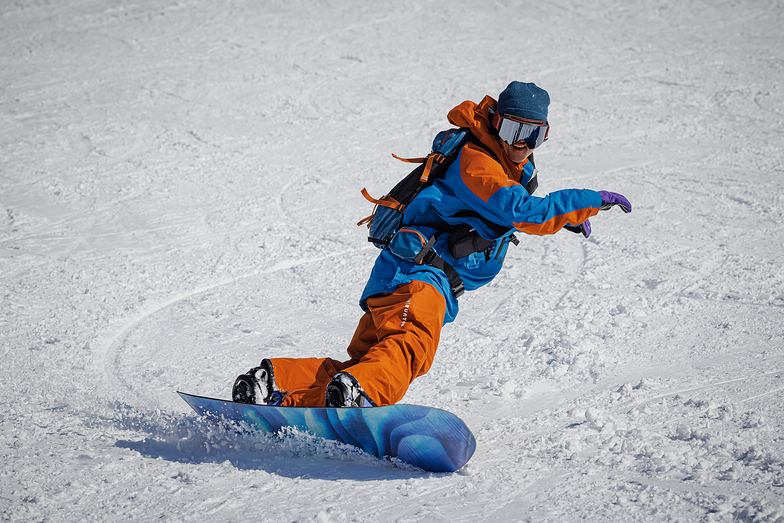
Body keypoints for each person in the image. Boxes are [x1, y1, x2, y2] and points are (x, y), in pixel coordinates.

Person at [232, 81, 632, 408]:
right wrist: (587, 202)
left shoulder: (496, 165)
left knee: (365, 364)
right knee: (410, 348)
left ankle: (275, 383)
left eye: (534, 136)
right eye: (514, 131)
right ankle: (361, 395)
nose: (522, 145)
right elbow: (518, 208)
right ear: (495, 122)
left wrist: (561, 221)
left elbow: (497, 209)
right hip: (421, 280)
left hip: (400, 275)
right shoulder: (477, 161)